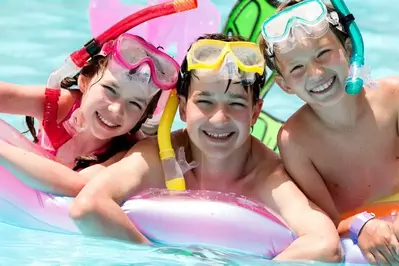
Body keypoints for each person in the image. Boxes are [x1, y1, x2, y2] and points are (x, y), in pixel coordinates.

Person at [69, 33, 342, 263]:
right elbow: (89, 207)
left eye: (235, 104)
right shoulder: (158, 156)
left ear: (255, 113)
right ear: (183, 108)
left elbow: (325, 245)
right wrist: (157, 257)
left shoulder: (267, 176)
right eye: (205, 102)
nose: (219, 119)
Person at [260, 0, 399, 264]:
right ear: (284, 84)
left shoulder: (394, 99)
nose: (316, 73)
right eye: (297, 68)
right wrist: (361, 226)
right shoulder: (295, 141)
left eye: (323, 53)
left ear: (349, 48)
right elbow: (324, 222)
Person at [0, 33, 180, 196]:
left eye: (134, 104)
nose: (116, 110)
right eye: (110, 90)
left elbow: (78, 185)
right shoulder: (56, 106)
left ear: (142, 117)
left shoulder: (128, 152)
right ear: (84, 82)